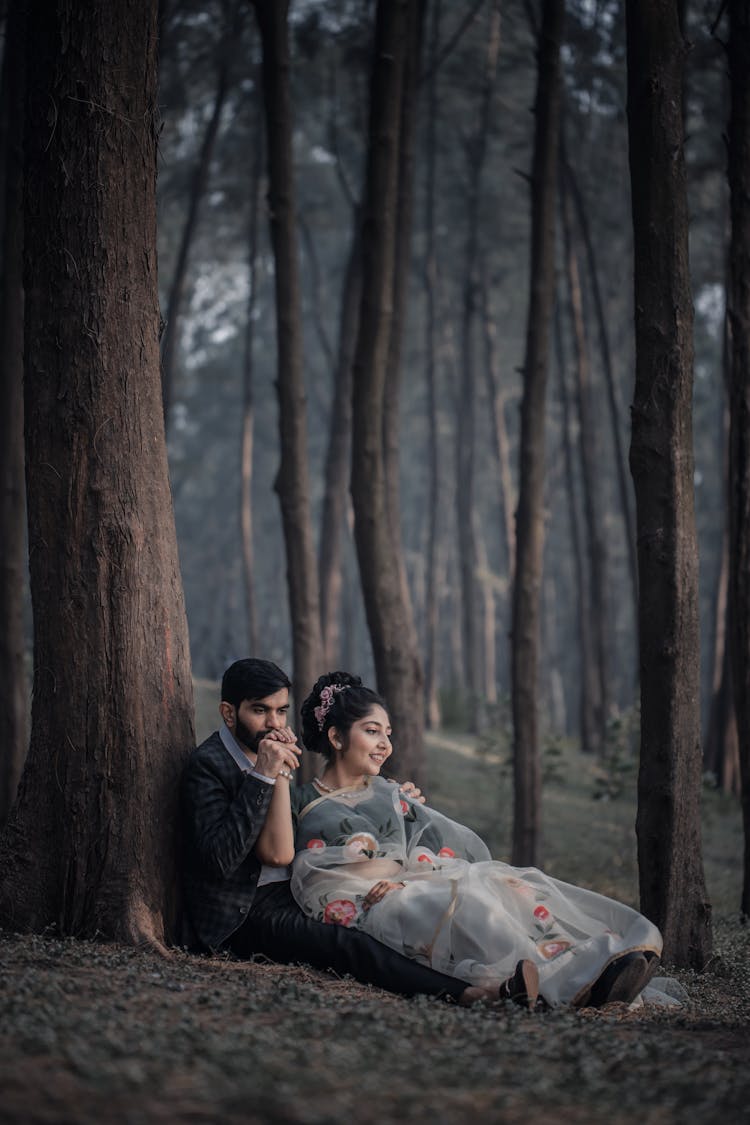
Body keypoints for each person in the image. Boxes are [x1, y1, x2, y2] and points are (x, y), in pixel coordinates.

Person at [290, 671, 668, 1010]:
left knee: (504, 883)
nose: (385, 744)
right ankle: (566, 979)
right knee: (464, 899)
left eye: (388, 734)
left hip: (409, 884)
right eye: (372, 731)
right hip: (360, 904)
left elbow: (430, 845)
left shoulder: (389, 792)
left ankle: (595, 962)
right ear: (337, 736)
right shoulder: (302, 801)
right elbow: (311, 874)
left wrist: (405, 847)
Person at [180, 658, 527, 1006]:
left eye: (281, 711)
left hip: (295, 892)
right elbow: (219, 860)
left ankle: (516, 975)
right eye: (260, 710)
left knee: (399, 912)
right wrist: (264, 774)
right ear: (228, 713)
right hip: (244, 912)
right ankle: (469, 994)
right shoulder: (210, 764)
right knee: (347, 942)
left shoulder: (273, 758)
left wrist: (390, 805)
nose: (274, 723)